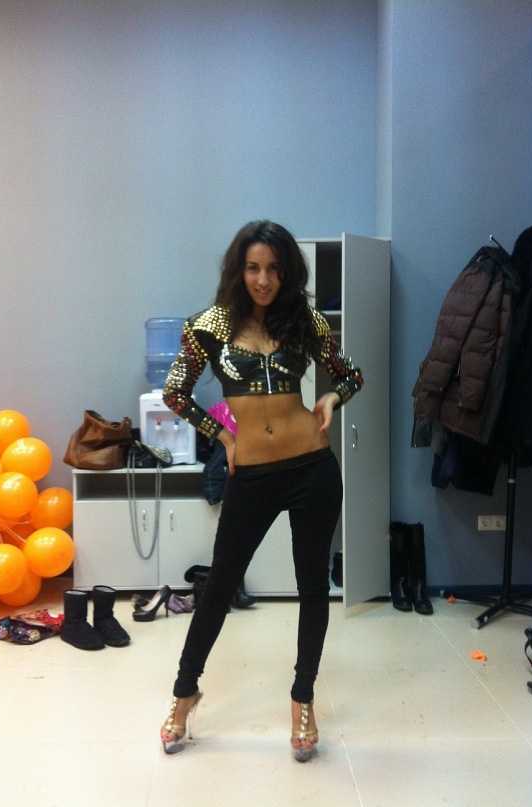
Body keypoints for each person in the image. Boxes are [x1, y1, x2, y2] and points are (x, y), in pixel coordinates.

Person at [160, 220, 363, 762]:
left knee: (312, 587)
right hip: (251, 474)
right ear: (239, 269)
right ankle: (184, 693)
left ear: (287, 273)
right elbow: (175, 392)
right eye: (253, 267)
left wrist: (331, 399)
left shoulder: (306, 321)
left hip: (312, 469)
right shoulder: (209, 325)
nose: (264, 279)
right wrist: (222, 434)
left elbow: (351, 375)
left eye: (274, 269)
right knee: (219, 587)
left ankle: (303, 699)